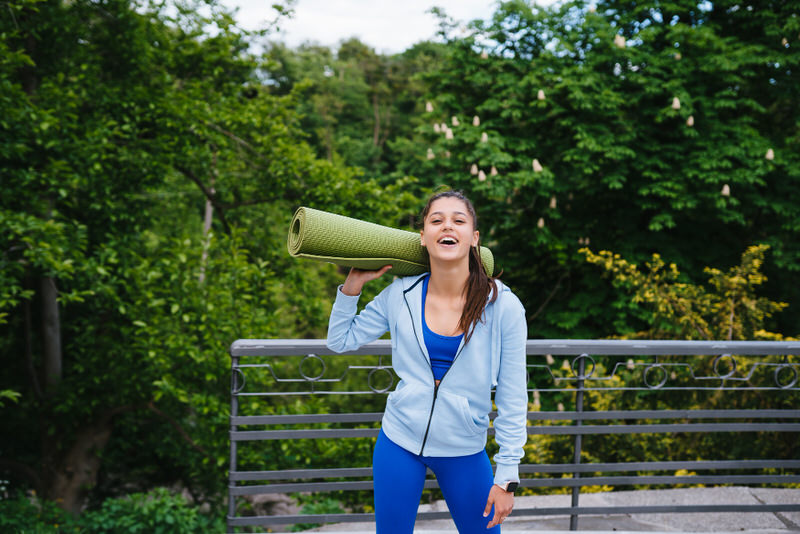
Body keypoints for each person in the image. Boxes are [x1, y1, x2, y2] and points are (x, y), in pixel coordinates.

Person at [326, 190, 528, 533]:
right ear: (423, 236)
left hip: (464, 449)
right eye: (436, 220)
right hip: (399, 442)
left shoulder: (503, 307)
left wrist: (507, 475)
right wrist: (353, 286)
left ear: (474, 238)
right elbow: (340, 340)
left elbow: (512, 395)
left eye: (458, 220)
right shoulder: (399, 294)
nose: (447, 226)